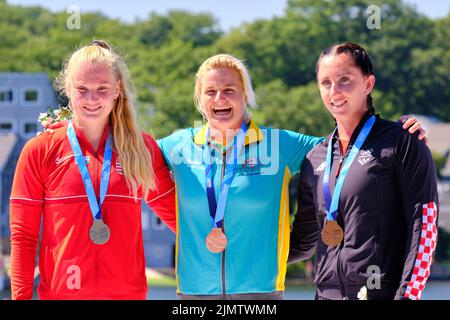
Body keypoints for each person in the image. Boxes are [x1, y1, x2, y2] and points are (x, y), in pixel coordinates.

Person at [157, 53, 427, 299]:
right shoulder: (179, 146)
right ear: (199, 99)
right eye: (210, 92)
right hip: (193, 294)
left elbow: (349, 150)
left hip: (261, 294)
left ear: (245, 96)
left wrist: (399, 132)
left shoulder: (279, 145)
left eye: (229, 90)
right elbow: (130, 155)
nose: (219, 99)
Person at [9, 40, 176, 300]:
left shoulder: (141, 149)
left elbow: (182, 219)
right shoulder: (39, 150)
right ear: (68, 89)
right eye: (82, 89)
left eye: (102, 89)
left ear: (117, 89)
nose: (91, 99)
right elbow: (23, 236)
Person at [289, 42, 439, 300]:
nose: (334, 91)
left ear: (368, 84)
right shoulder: (315, 158)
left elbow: (424, 226)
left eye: (345, 80)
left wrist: (407, 295)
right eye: (325, 83)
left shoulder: (402, 143)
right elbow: (302, 243)